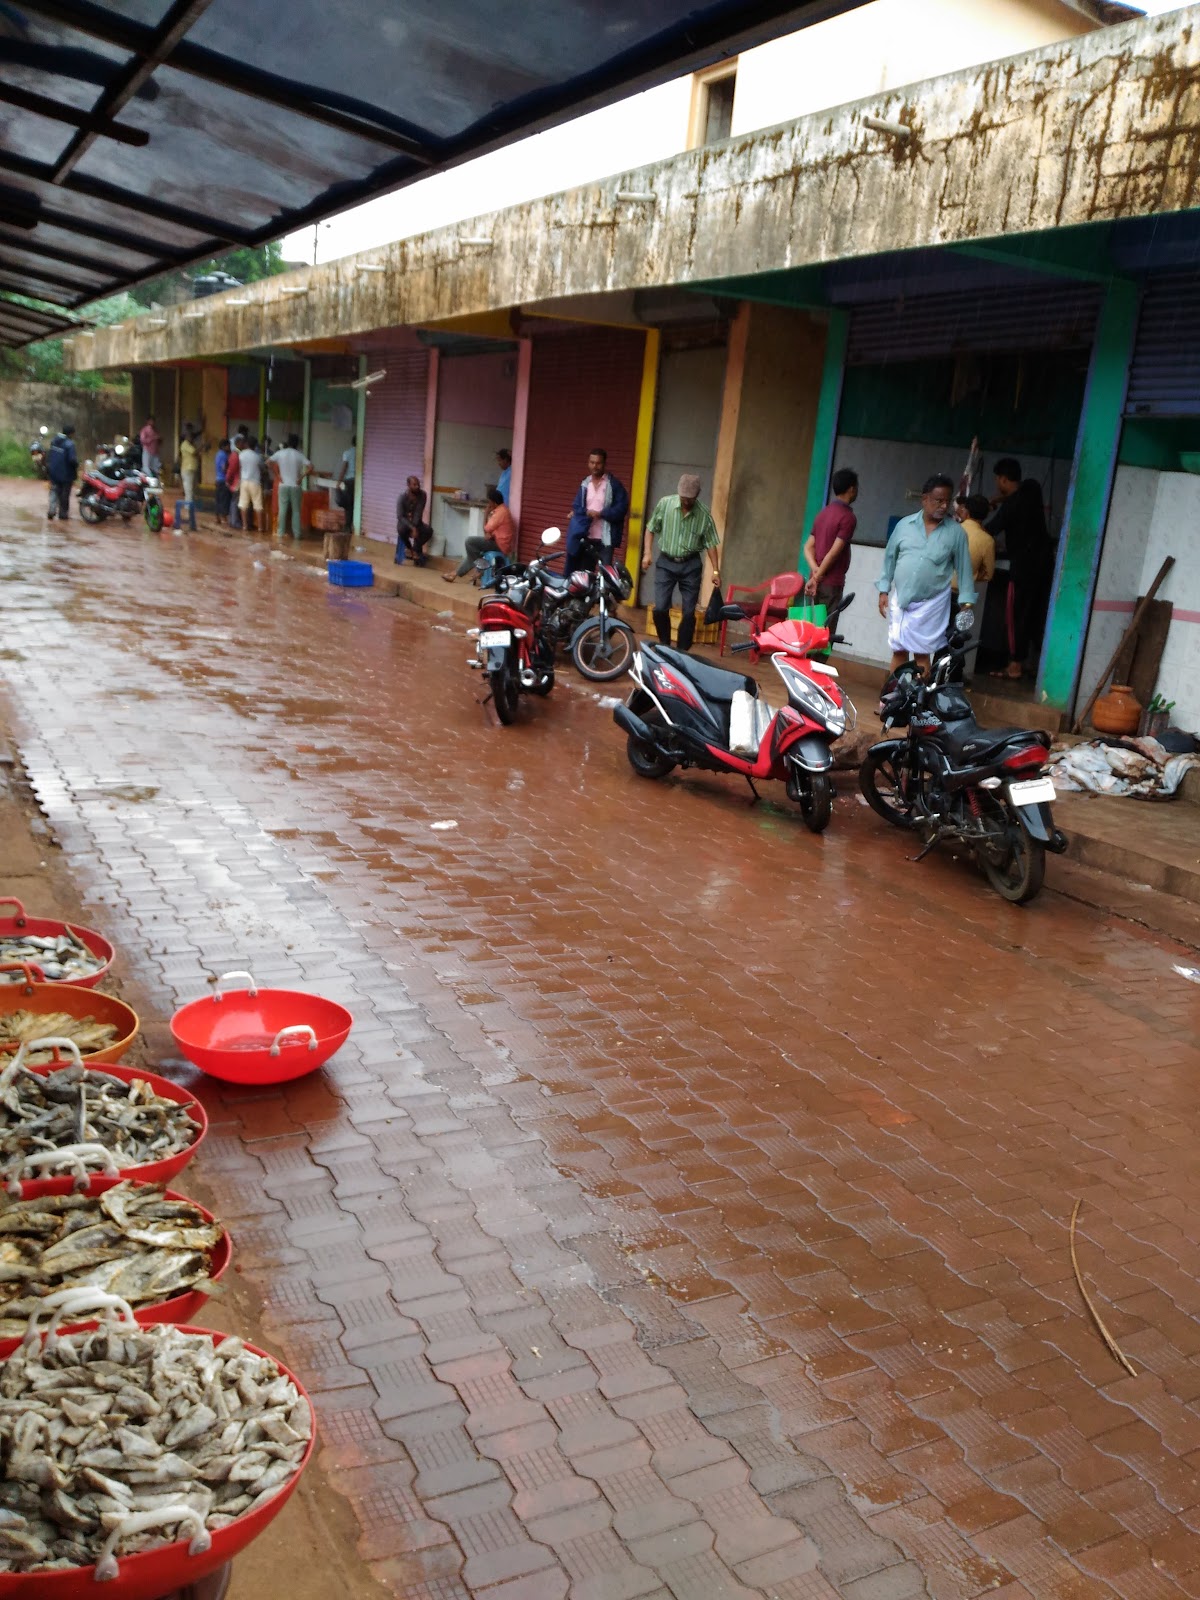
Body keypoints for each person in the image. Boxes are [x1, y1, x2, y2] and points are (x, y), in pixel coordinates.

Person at [876, 473, 977, 673]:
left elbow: (965, 570)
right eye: (938, 501)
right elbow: (890, 558)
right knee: (899, 651)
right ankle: (892, 700)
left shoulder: (956, 533)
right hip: (902, 599)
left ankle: (917, 703)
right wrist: (883, 590)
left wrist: (966, 604)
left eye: (947, 502)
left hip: (931, 604)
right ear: (924, 499)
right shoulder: (904, 525)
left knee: (921, 654)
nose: (943, 506)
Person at [985, 458, 1054, 680]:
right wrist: (1001, 499)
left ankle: (1014, 665)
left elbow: (990, 530)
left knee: (1017, 617)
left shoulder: (1010, 508)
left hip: (1023, 569)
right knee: (1038, 615)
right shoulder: (1032, 490)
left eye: (998, 479)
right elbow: (1020, 493)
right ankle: (1037, 665)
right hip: (1044, 567)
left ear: (1003, 479)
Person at [642, 473, 721, 653]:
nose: (686, 502)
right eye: (683, 498)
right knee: (660, 608)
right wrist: (647, 553)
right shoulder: (665, 504)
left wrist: (716, 571)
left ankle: (682, 651)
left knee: (688, 613)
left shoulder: (704, 514)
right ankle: (664, 645)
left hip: (690, 566)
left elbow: (711, 545)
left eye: (690, 499)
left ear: (697, 495)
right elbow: (650, 528)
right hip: (666, 563)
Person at [566, 448, 628, 574]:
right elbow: (577, 505)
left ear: (604, 464)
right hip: (586, 537)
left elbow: (622, 508)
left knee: (604, 577)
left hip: (605, 540)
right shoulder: (585, 483)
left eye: (598, 463)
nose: (595, 466)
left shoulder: (614, 485)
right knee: (584, 575)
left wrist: (601, 514)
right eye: (592, 462)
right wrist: (580, 513)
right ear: (588, 463)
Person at [803, 467, 858, 607]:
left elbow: (807, 547)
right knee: (827, 627)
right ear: (852, 489)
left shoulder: (823, 513)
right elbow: (833, 553)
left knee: (813, 625)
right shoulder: (848, 518)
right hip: (831, 583)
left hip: (815, 580)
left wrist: (815, 570)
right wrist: (818, 576)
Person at [443, 487, 515, 581]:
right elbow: (489, 532)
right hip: (497, 541)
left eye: (489, 502)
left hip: (500, 546)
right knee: (472, 556)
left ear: (494, 502)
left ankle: (480, 568)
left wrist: (486, 514)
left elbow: (486, 528)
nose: (488, 504)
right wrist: (490, 534)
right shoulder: (502, 510)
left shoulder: (501, 513)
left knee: (470, 542)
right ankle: (454, 574)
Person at [270, 433, 313, 539]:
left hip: (283, 485)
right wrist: (301, 478)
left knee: (282, 510)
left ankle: (280, 533)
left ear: (288, 442)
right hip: (295, 485)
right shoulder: (299, 454)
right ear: (297, 443)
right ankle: (297, 534)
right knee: (296, 511)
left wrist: (278, 475)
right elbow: (311, 467)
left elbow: (268, 462)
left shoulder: (280, 453)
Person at [953, 493, 996, 587]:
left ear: (966, 511)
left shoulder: (950, 529)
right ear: (986, 515)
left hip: (936, 590)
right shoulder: (987, 540)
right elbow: (988, 575)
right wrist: (973, 575)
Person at [395, 476, 433, 566]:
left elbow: (418, 512)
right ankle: (409, 548)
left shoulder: (422, 495)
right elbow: (400, 516)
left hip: (417, 523)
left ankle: (414, 550)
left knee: (428, 531)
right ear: (408, 485)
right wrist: (411, 527)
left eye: (418, 484)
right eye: (414, 485)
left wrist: (414, 528)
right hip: (405, 524)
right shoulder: (402, 497)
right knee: (401, 530)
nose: (417, 486)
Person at [45, 424, 77, 520]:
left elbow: (50, 455)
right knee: (64, 494)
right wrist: (76, 465)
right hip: (66, 474)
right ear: (71, 434)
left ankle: (52, 510)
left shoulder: (54, 441)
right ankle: (63, 514)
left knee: (54, 491)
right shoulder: (70, 444)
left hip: (54, 472)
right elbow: (72, 460)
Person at [237, 435, 264, 533]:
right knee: (258, 505)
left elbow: (238, 466)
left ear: (247, 444)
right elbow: (262, 468)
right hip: (255, 482)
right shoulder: (257, 456)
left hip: (244, 481)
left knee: (243, 504)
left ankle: (244, 526)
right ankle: (260, 528)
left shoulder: (241, 454)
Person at [178, 425, 200, 531]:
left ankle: (190, 507)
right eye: (190, 437)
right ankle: (188, 508)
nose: (192, 439)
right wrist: (203, 446)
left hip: (191, 469)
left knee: (191, 489)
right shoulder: (185, 444)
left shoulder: (189, 444)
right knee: (189, 490)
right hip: (187, 469)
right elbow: (195, 452)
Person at [336, 436, 357, 529]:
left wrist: (339, 482)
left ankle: (348, 526)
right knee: (356, 504)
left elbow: (344, 468)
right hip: (360, 482)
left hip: (349, 481)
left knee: (348, 505)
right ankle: (354, 525)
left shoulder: (347, 453)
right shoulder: (363, 452)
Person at [225, 436, 243, 530]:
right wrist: (227, 480)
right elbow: (231, 469)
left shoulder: (235, 454)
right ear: (238, 443)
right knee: (235, 502)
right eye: (242, 443)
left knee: (234, 501)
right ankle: (234, 521)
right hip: (237, 482)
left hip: (235, 481)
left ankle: (233, 521)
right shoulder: (236, 455)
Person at [213, 438, 232, 525]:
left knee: (218, 499)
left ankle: (217, 518)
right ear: (224, 446)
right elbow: (224, 468)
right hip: (223, 480)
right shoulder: (224, 455)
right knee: (224, 500)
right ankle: (224, 518)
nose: (230, 447)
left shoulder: (217, 454)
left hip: (218, 479)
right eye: (228, 446)